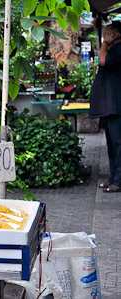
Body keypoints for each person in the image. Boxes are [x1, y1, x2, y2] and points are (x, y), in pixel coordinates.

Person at [90, 21, 121, 192]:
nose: (104, 36)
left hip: (117, 105)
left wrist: (103, 43)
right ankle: (112, 178)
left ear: (116, 36)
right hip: (111, 106)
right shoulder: (113, 50)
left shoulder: (118, 51)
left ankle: (118, 181)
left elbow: (102, 61)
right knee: (111, 144)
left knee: (118, 145)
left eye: (107, 33)